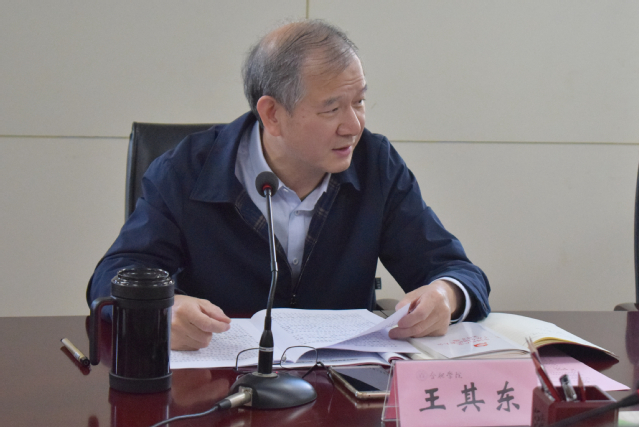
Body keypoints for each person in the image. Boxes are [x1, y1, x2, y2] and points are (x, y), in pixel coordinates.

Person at [87, 20, 490, 351]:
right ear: (272, 115)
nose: (353, 126)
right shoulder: (187, 169)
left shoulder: (375, 164)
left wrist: (446, 295)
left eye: (359, 102)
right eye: (332, 108)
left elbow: (455, 270)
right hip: (217, 385)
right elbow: (113, 275)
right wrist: (159, 310)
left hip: (339, 385)